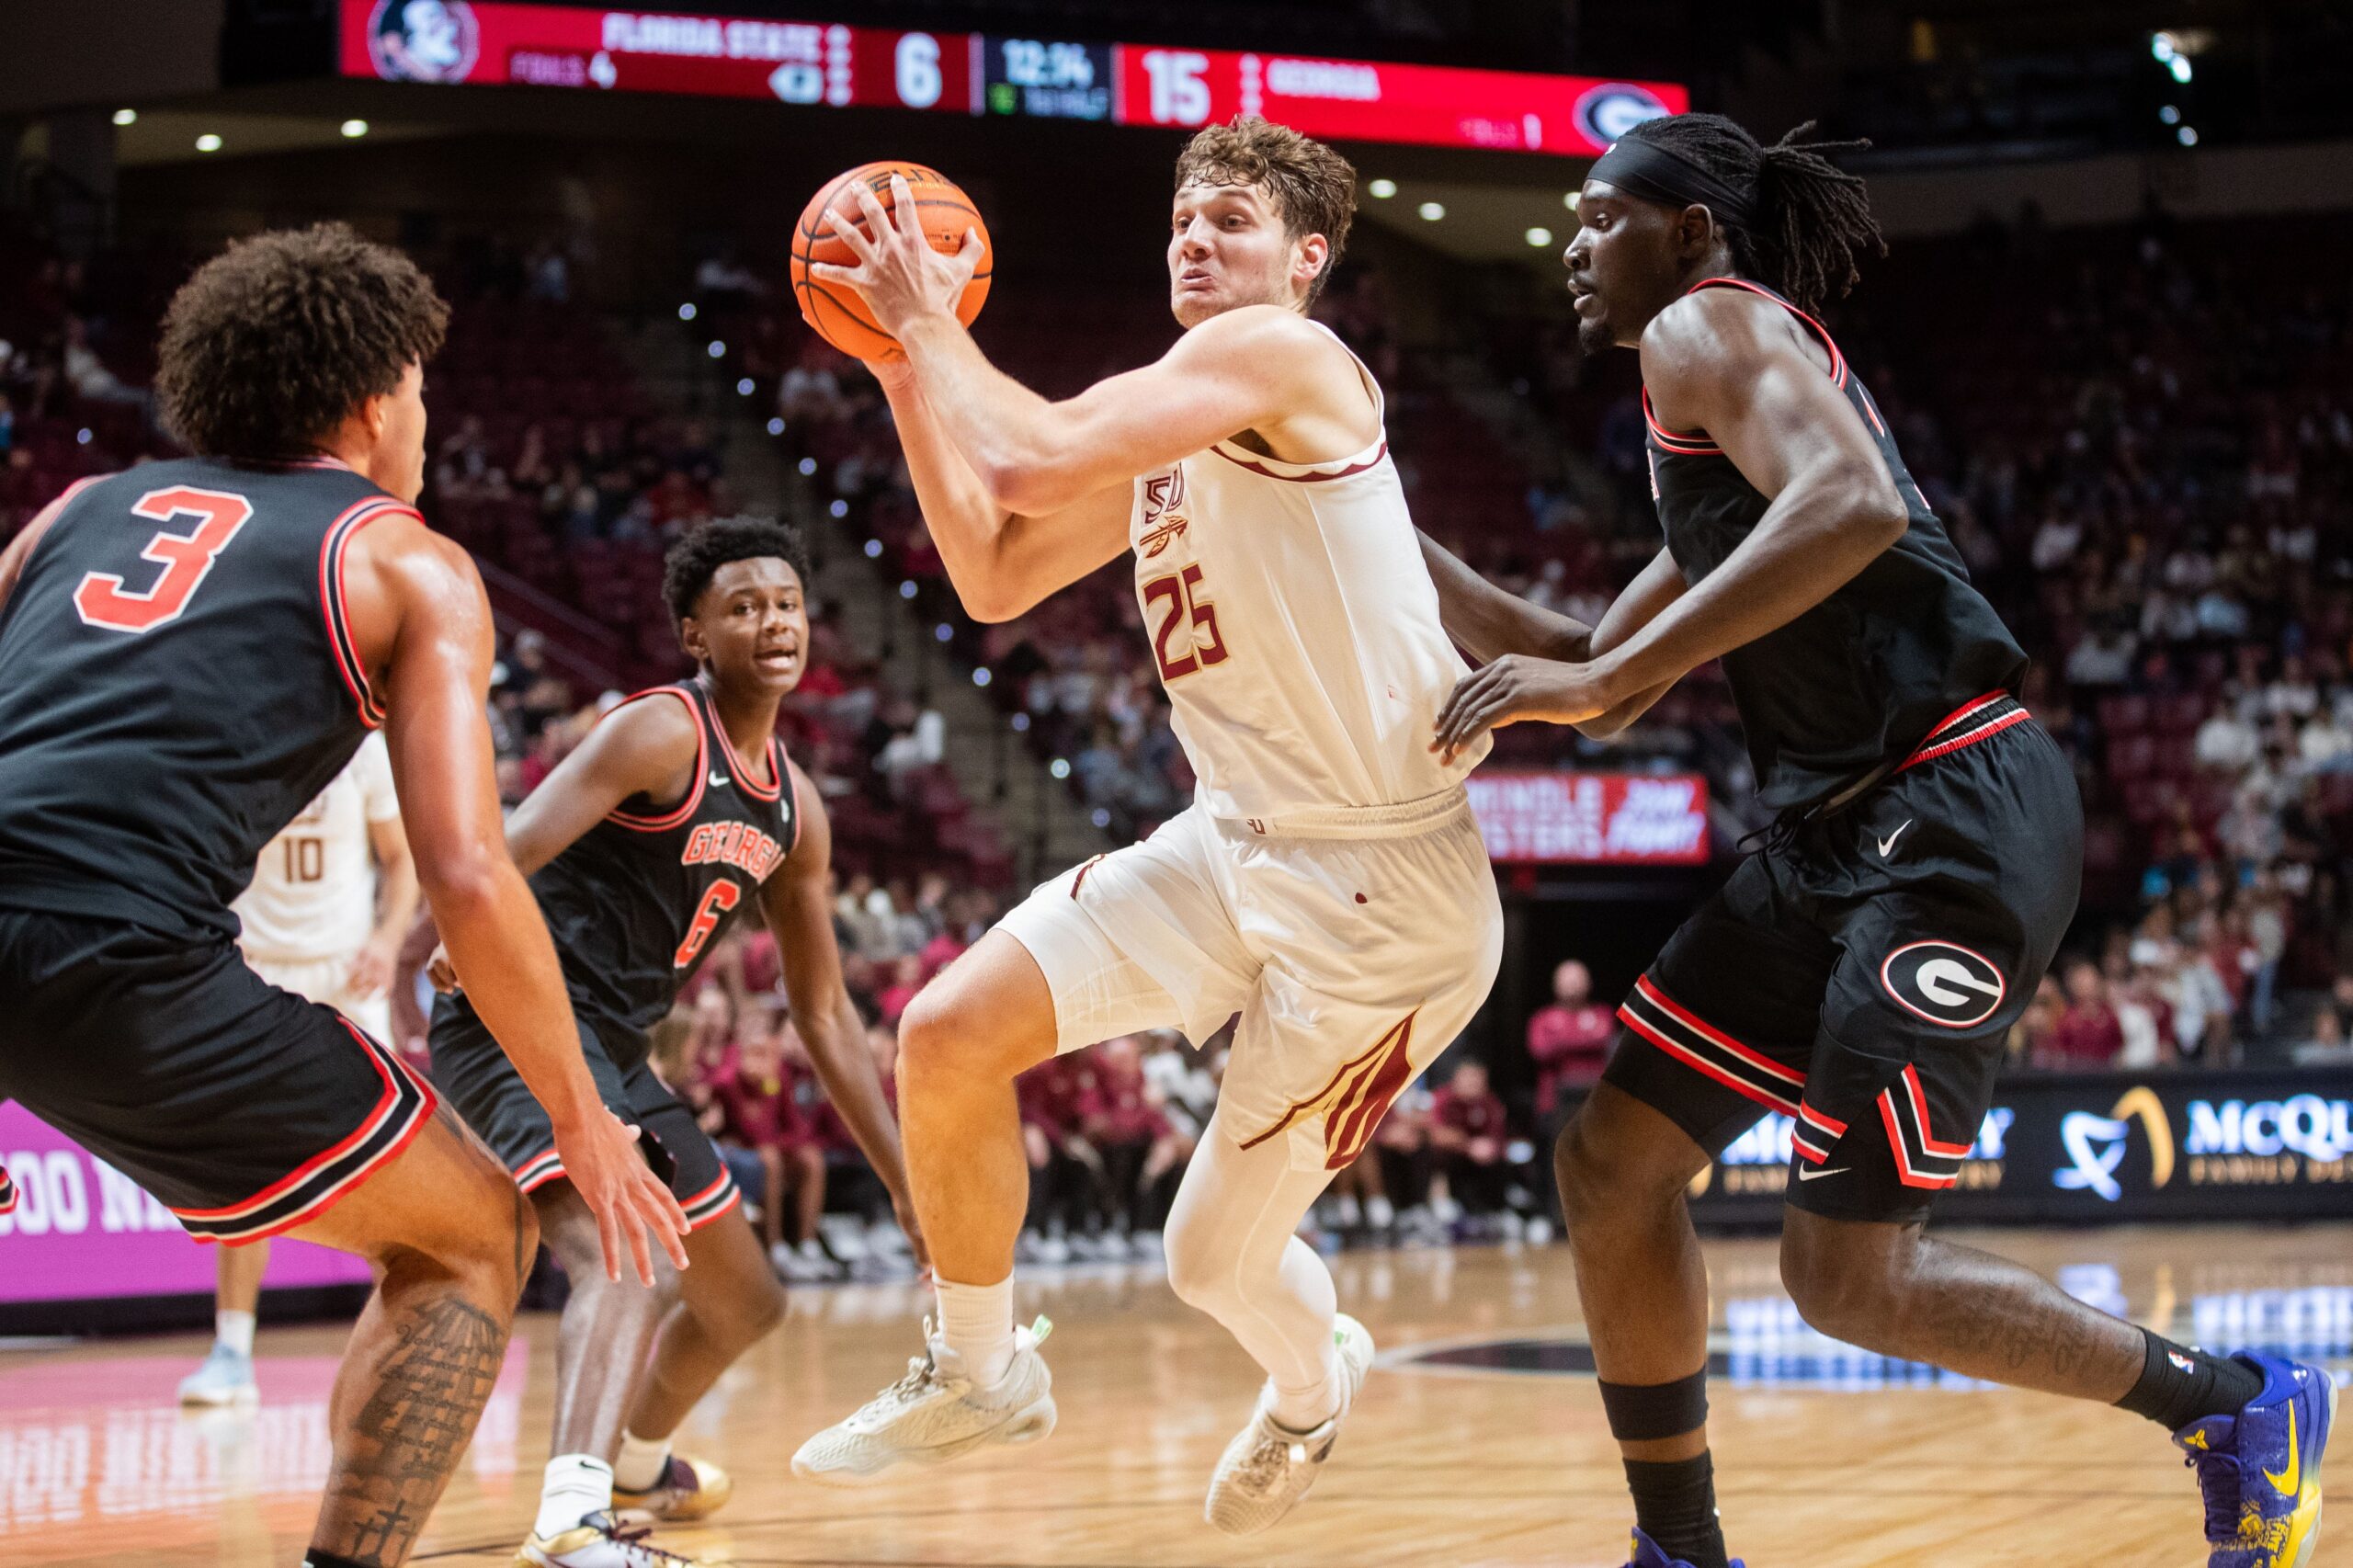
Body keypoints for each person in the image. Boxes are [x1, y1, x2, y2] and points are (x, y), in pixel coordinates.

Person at [1416, 113, 2331, 1568]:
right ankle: (1680, 1548)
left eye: (1601, 218)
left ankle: (2233, 1403)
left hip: (1954, 806)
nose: (1578, 250)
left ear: (1692, 234)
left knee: (1843, 1274)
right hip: (1845, 832)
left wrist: (1590, 682)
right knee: (1612, 1163)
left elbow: (1845, 508)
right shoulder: (1711, 439)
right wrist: (1357, 516)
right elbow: (1602, 662)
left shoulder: (1706, 326)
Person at [791, 118, 1504, 1535]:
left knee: (1211, 1261)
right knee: (943, 1033)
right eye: (1182, 217)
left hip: (1385, 897)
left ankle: (1313, 1387)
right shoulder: (1193, 411)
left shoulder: (1283, 361)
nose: (1193, 238)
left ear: (1305, 260)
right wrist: (895, 370)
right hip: (1233, 836)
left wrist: (933, 324)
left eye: (1231, 219)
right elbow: (994, 570)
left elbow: (1037, 454)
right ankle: (979, 1368)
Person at [0, 223, 685, 1568]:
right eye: (422, 386)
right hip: (124, 963)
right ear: (377, 399)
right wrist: (581, 1117)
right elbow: (470, 875)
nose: (426, 415)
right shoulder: (402, 559)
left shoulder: (75, 510)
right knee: (472, 1234)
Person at [427, 517, 921, 1567]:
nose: (773, 620)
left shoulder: (798, 809)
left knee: (746, 1298)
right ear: (696, 633)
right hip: (516, 1022)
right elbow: (507, 847)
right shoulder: (655, 731)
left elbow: (824, 1010)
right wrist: (458, 940)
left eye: (785, 601)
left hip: (614, 1045)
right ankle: (571, 1517)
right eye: (743, 605)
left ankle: (643, 1462)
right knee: (627, 1246)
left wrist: (906, 1181)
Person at [179, 730, 419, 1406]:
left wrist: (387, 938)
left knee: (391, 1169)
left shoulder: (362, 746)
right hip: (253, 970)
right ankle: (231, 1351)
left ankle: (406, 1345)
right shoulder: (233, 740)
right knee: (242, 1169)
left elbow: (401, 859)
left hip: (347, 973)